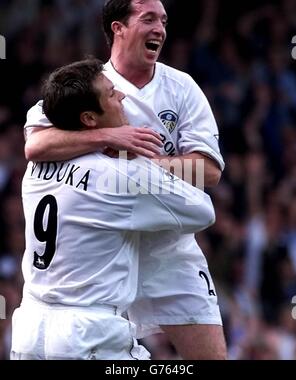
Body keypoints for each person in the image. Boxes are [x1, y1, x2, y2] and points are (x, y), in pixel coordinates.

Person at [23, 0, 227, 359]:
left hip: (167, 246)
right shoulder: (88, 84)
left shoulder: (181, 87)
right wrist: (108, 138)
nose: (160, 29)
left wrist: (145, 165)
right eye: (148, 19)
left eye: (163, 21)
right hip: (106, 246)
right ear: (118, 28)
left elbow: (208, 172)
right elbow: (37, 143)